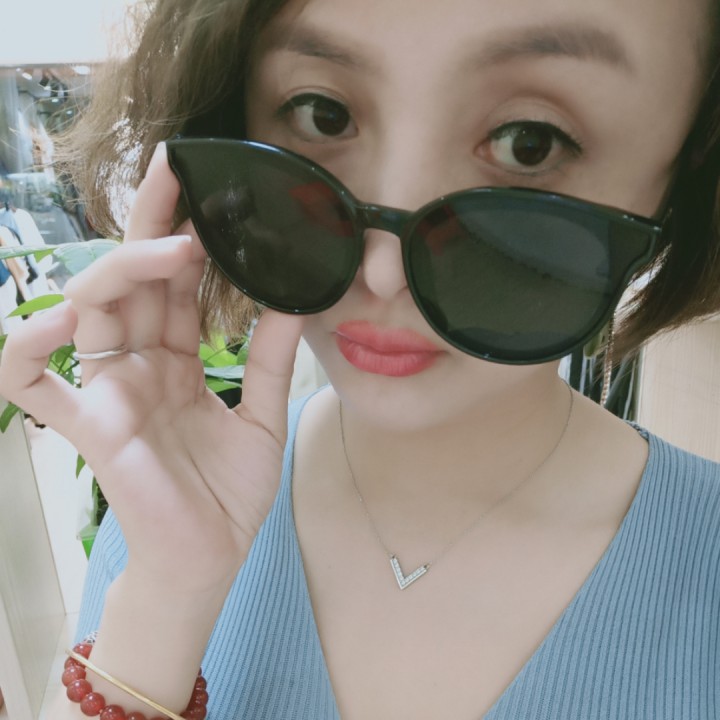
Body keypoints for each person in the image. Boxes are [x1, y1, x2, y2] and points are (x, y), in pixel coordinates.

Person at [1, 0, 719, 718]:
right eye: (323, 114)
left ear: (689, 165)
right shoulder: (172, 498)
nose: (382, 270)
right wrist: (167, 595)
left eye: (529, 143)